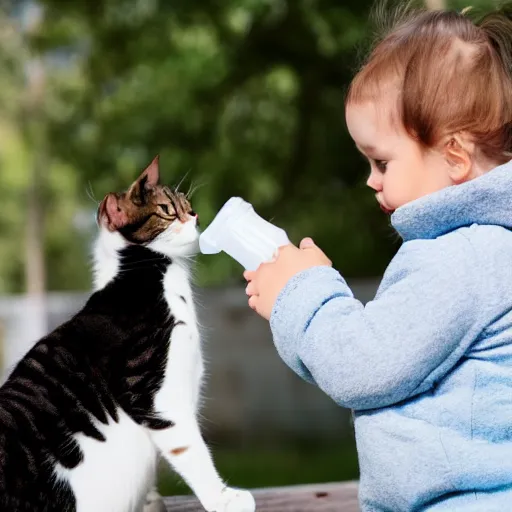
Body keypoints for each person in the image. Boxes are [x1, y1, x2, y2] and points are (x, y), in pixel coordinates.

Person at [244, 3, 512, 511]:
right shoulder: (488, 247)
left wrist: (301, 296)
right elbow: (387, 366)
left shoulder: (462, 257)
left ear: (454, 155)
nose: (372, 180)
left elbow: (363, 366)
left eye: (382, 161)